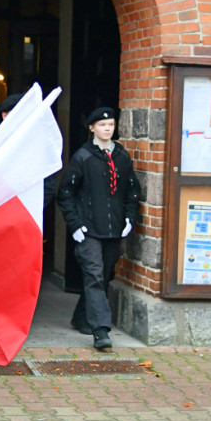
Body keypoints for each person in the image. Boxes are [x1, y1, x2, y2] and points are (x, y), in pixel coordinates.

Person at [57, 107, 141, 351]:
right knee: (94, 274)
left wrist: (129, 217)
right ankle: (101, 331)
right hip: (89, 229)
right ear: (92, 128)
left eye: (111, 125)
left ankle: (82, 317)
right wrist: (75, 223)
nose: (107, 129)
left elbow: (132, 191)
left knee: (103, 277)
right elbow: (66, 193)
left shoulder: (122, 156)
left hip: (113, 228)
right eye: (102, 125)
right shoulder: (83, 157)